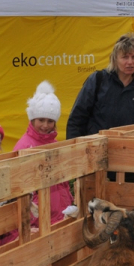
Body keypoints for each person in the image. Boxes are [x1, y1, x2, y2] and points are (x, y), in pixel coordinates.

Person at [66, 32, 134, 139]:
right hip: (96, 149)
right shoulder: (97, 80)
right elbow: (76, 119)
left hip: (130, 151)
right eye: (125, 57)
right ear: (115, 59)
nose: (130, 62)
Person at [14, 81, 77, 225]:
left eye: (50, 121)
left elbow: (63, 182)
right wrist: (33, 218)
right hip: (39, 217)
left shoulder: (55, 145)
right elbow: (22, 187)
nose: (45, 125)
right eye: (41, 120)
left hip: (59, 213)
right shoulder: (24, 146)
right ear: (32, 119)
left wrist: (68, 203)